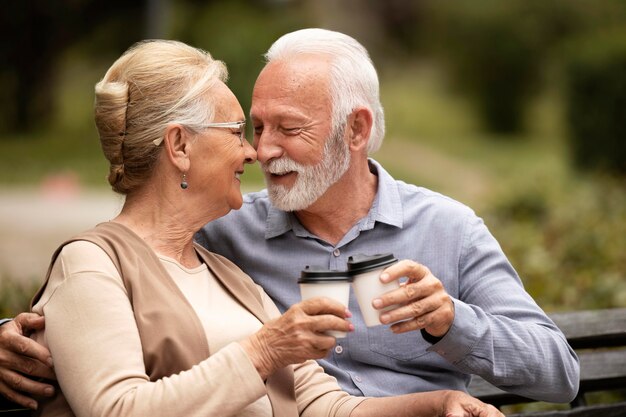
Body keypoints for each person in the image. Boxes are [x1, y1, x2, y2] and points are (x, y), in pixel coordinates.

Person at [0, 28, 579, 408]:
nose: (263, 149)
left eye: (289, 129)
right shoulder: (224, 233)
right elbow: (116, 264)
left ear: (354, 131)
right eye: (253, 126)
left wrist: (452, 321)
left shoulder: (447, 228)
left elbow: (559, 373)